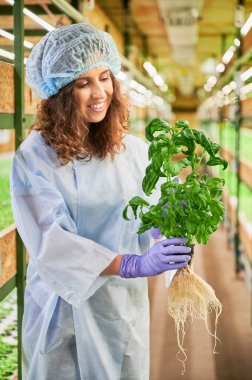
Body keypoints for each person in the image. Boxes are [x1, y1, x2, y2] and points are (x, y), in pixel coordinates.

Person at [10, 23, 191, 380]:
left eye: (105, 77)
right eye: (83, 83)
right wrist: (131, 265)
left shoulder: (130, 149)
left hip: (121, 309)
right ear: (60, 91)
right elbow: (51, 242)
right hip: (62, 313)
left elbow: (148, 207)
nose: (100, 92)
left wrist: (163, 224)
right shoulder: (35, 157)